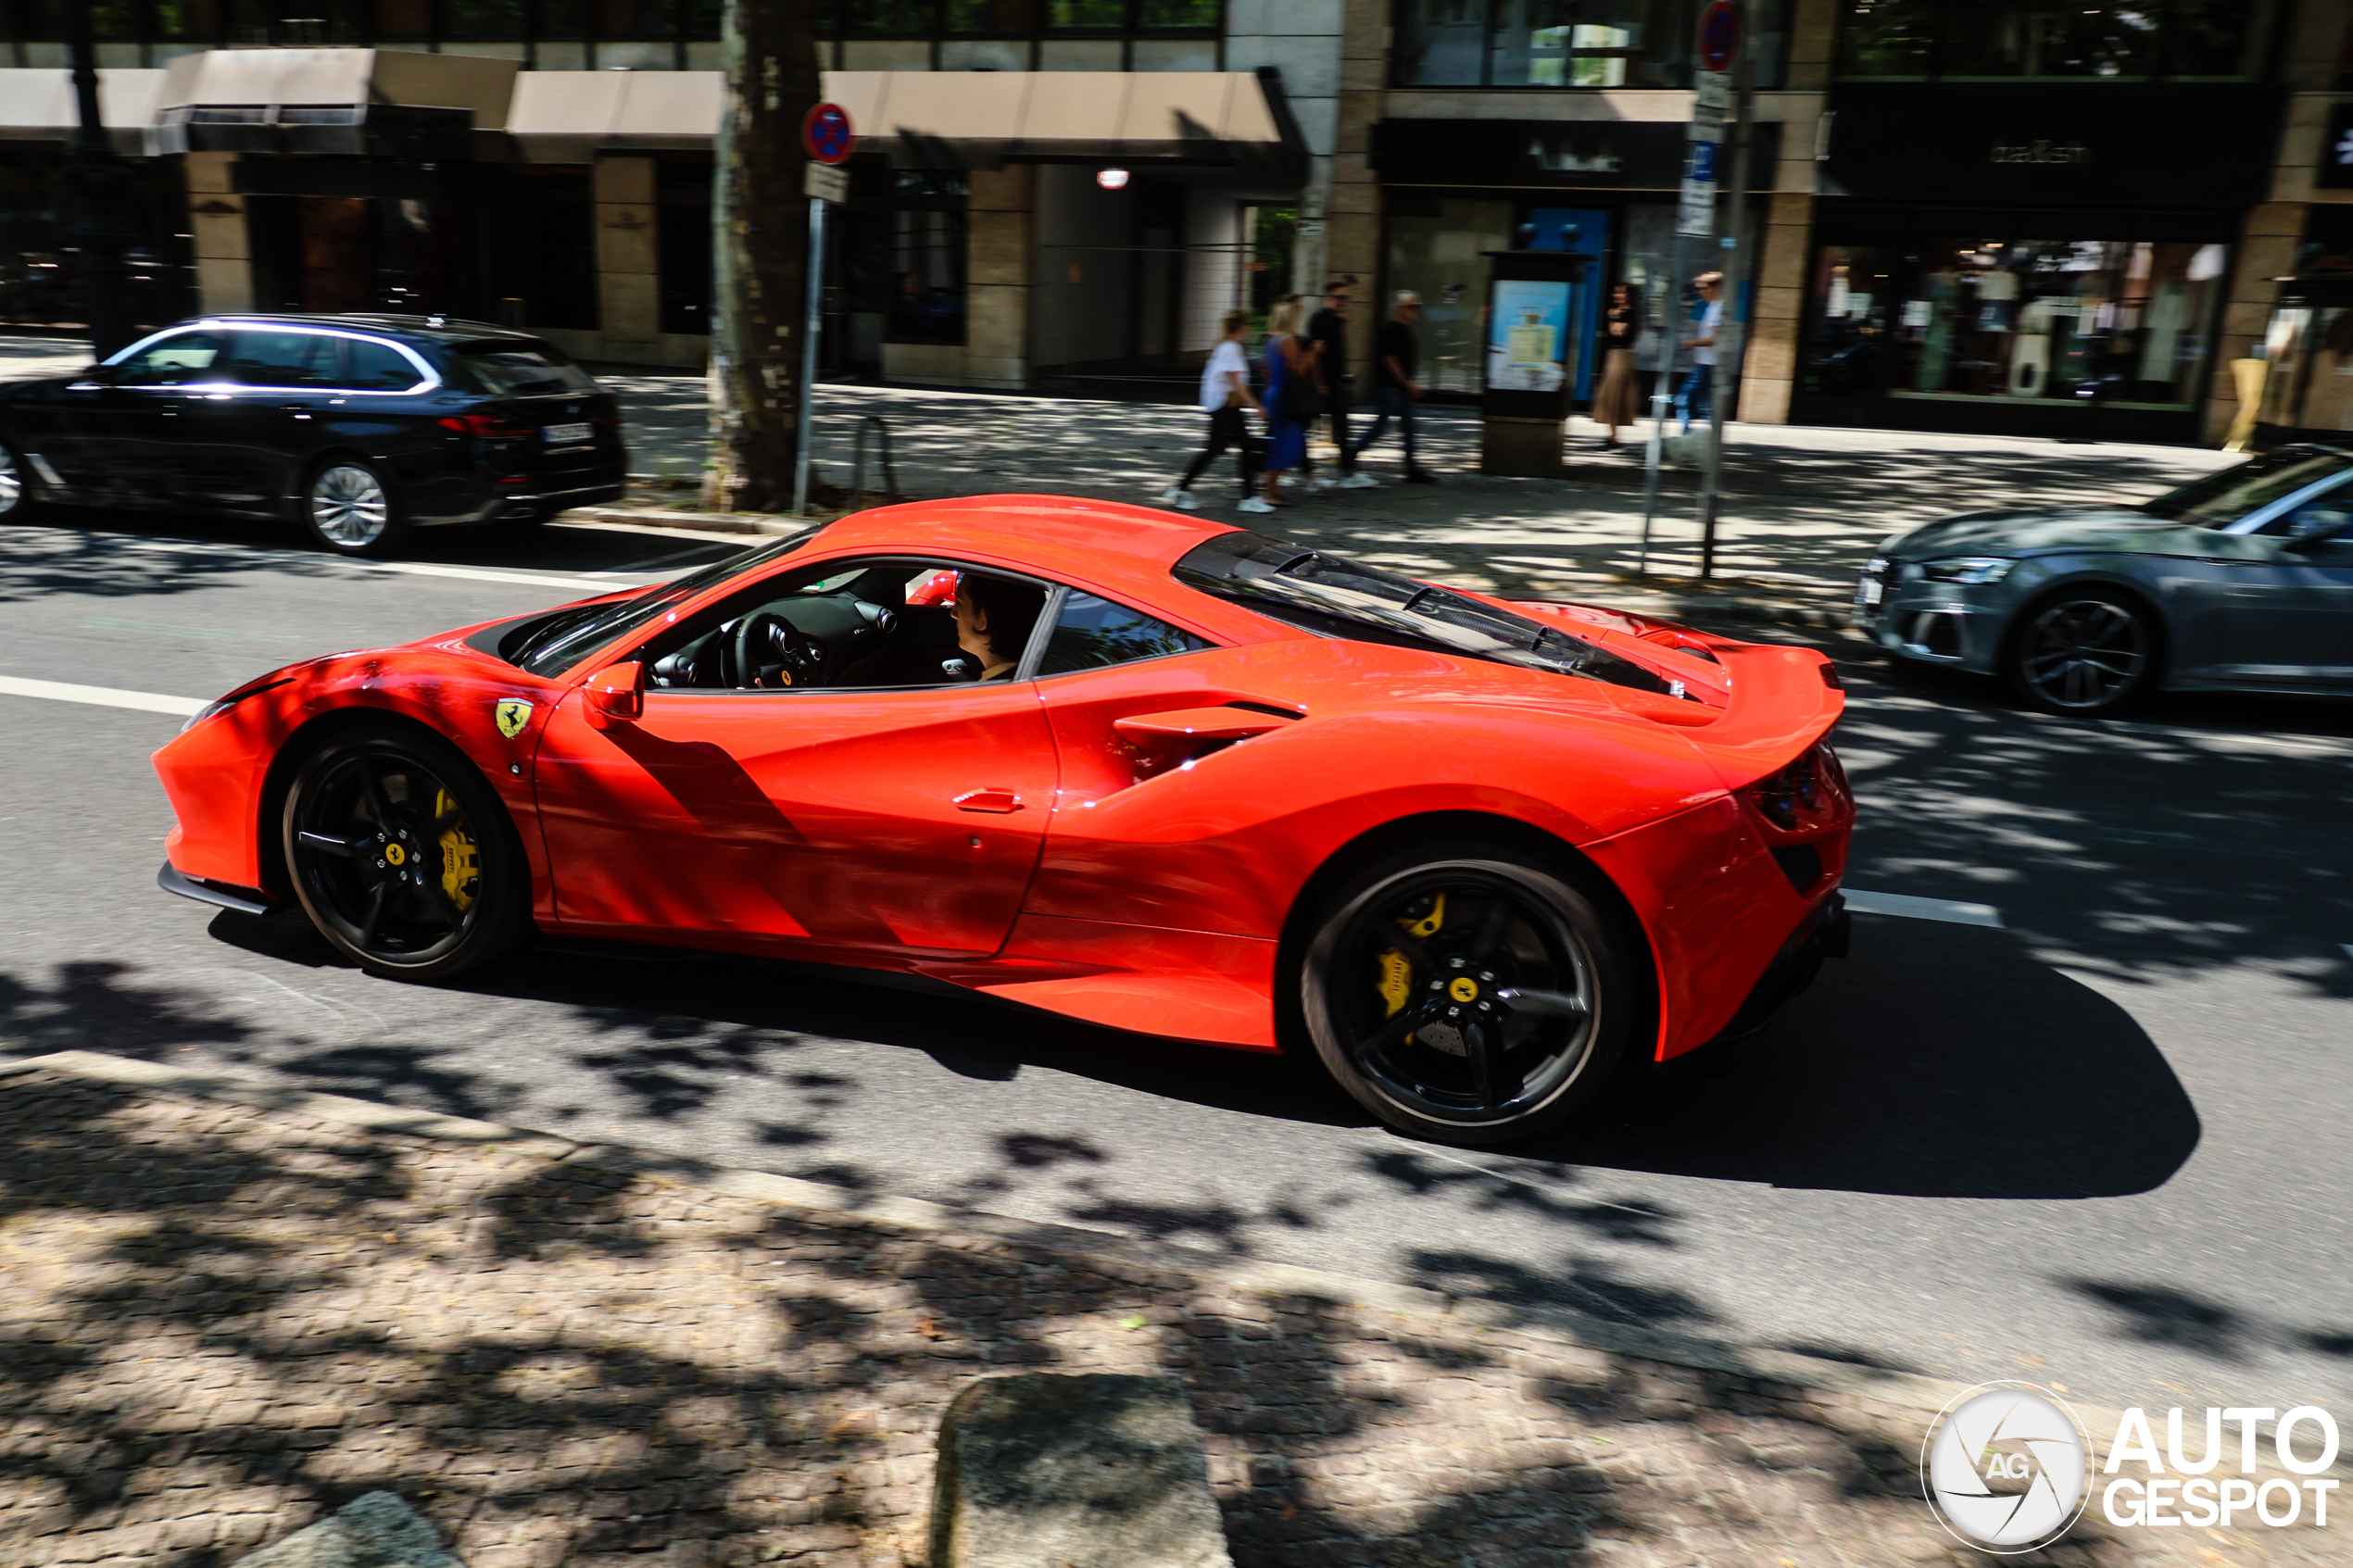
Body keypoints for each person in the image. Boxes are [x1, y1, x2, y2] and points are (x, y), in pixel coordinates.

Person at [1161, 309, 1265, 512]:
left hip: (1226, 407)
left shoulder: (1226, 347)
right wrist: (1256, 405)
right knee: (1220, 449)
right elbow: (1235, 381)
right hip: (1225, 407)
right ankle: (1182, 489)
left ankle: (1248, 496)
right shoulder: (1231, 348)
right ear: (1243, 327)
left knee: (1236, 448)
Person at [1346, 291, 1434, 483]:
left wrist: (1408, 386)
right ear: (1400, 308)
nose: (1415, 311)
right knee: (1381, 427)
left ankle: (1412, 470)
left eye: (1417, 307)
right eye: (1412, 307)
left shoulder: (1404, 329)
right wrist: (1408, 384)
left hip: (1400, 390)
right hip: (1390, 389)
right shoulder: (1391, 330)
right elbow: (1390, 360)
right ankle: (1350, 455)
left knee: (1409, 427)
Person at [1308, 280, 1375, 489]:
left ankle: (1347, 472)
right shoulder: (1320, 320)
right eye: (1339, 297)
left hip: (1335, 384)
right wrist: (1319, 382)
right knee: (1302, 425)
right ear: (1328, 299)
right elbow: (1316, 354)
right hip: (1323, 385)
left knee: (1343, 429)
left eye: (1346, 298)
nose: (1343, 301)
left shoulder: (1337, 321)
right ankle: (1297, 473)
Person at [1256, 295, 1316, 511]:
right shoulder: (1288, 340)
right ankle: (1269, 491)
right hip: (1285, 396)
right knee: (1289, 445)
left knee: (1282, 442)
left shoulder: (1271, 340)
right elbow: (1298, 371)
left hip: (1274, 393)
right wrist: (1313, 354)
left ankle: (1273, 487)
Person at [951, 571, 1046, 681]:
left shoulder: (994, 692)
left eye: (959, 603)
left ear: (983, 620)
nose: (953, 614)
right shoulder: (1041, 675)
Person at [1592, 280, 1642, 448]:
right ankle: (1612, 436)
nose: (1617, 296)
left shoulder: (1629, 312)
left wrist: (1613, 316)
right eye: (1616, 292)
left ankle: (1614, 437)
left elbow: (1618, 331)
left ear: (1629, 295)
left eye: (1621, 292)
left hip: (1621, 356)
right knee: (1610, 393)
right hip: (1613, 355)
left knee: (1616, 393)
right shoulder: (1620, 312)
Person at [1677, 271, 1725, 433]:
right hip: (1705, 362)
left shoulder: (1719, 309)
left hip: (1709, 363)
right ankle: (1713, 441)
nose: (1699, 292)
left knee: (1684, 399)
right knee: (1704, 405)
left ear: (1715, 288)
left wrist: (1692, 343)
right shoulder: (1712, 307)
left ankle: (1687, 437)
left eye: (1702, 288)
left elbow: (1714, 339)